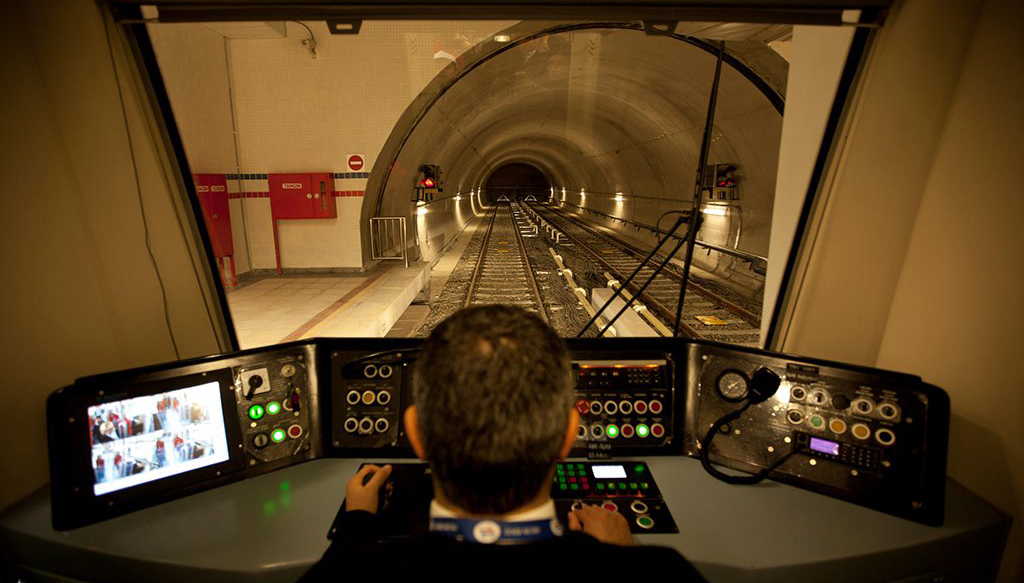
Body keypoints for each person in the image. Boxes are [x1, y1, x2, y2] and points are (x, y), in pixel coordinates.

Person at [299, 306, 706, 582]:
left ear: (416, 435)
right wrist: (618, 560)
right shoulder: (662, 572)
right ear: (569, 436)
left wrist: (355, 525)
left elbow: (347, 563)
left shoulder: (346, 570)